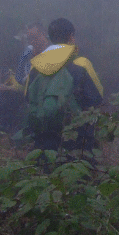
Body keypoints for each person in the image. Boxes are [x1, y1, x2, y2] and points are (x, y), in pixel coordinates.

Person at [24, 18, 104, 150]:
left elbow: (28, 98)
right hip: (76, 141)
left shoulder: (35, 66)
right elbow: (96, 98)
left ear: (50, 38)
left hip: (44, 141)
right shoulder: (81, 64)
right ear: (71, 37)